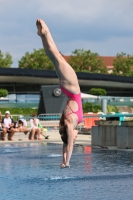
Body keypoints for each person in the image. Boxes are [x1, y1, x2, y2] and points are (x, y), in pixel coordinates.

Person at [36, 19, 83, 168]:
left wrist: (67, 162)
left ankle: (46, 33)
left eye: (74, 138)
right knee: (54, 58)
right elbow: (65, 145)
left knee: (56, 57)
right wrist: (63, 161)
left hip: (73, 89)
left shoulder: (69, 125)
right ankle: (43, 36)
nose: (75, 138)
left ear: (69, 134)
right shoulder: (70, 124)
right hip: (67, 89)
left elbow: (68, 146)